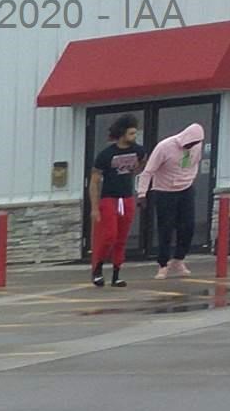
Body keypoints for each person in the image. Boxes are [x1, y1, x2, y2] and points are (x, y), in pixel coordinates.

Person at [135, 120, 208, 279]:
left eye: (195, 143)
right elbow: (148, 171)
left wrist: (190, 178)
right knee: (166, 229)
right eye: (190, 143)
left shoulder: (196, 147)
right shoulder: (164, 147)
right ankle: (163, 264)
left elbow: (193, 164)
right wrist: (142, 193)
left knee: (188, 227)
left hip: (186, 189)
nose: (191, 146)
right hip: (164, 191)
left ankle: (179, 259)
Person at [89, 116, 143, 286]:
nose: (134, 136)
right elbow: (95, 180)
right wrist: (95, 207)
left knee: (122, 238)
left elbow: (141, 166)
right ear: (122, 133)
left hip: (127, 197)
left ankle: (116, 273)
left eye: (135, 133)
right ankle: (97, 267)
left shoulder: (139, 151)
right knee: (109, 236)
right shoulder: (106, 155)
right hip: (109, 198)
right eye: (131, 133)